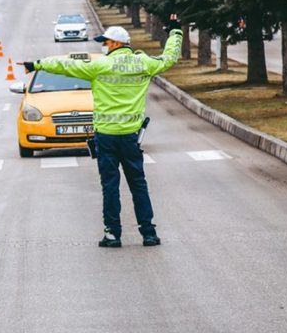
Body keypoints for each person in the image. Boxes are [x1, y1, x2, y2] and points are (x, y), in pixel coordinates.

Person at [19, 15, 183, 248]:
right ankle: (148, 233)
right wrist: (175, 31)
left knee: (110, 185)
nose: (104, 46)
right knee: (138, 183)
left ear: (116, 44)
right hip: (130, 136)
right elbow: (170, 57)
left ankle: (112, 234)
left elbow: (66, 66)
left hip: (105, 137)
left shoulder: (100, 66)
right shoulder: (144, 63)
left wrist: (36, 65)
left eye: (106, 42)